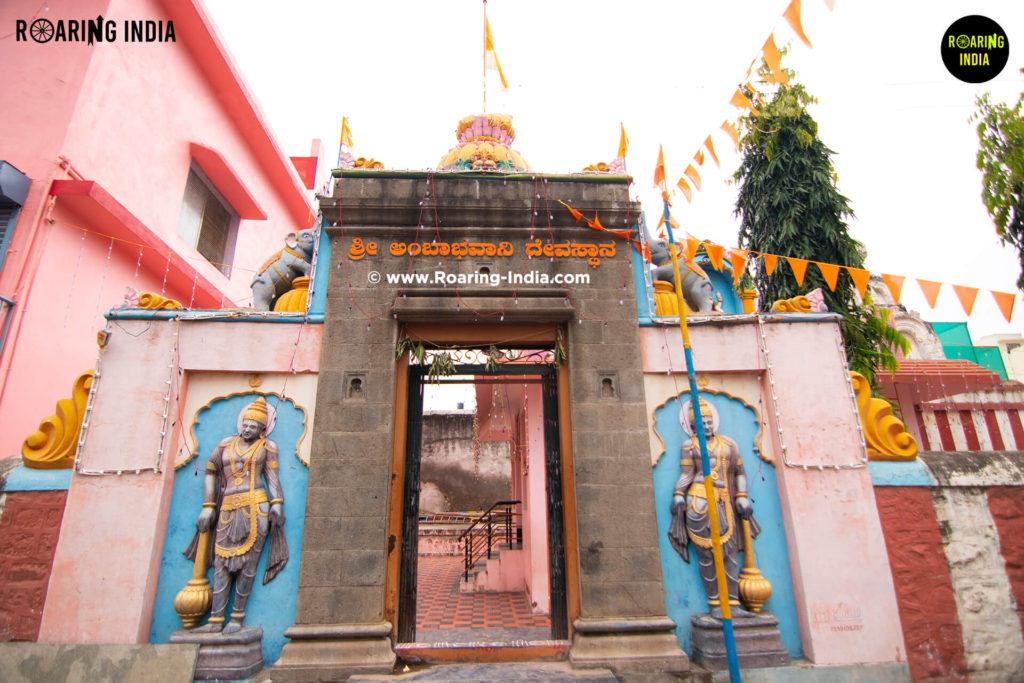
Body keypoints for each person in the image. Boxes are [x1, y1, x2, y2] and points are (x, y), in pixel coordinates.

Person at [186, 396, 288, 633]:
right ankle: (215, 620)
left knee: (248, 563)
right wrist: (208, 505)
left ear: (263, 430)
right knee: (221, 561)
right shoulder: (225, 445)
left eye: (254, 426)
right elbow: (211, 472)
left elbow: (273, 478)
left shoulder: (266, 447)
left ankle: (236, 618)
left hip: (256, 505)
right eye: (246, 424)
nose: (248, 429)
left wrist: (277, 503)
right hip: (228, 506)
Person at [668, 397, 758, 617]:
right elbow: (686, 474)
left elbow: (740, 472)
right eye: (700, 423)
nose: (706, 426)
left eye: (708, 422)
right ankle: (716, 604)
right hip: (698, 502)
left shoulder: (728, 444)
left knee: (729, 553)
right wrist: (679, 494)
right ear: (691, 426)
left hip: (725, 499)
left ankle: (733, 604)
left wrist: (742, 497)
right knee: (707, 556)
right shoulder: (690, 446)